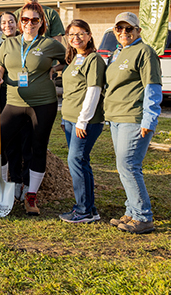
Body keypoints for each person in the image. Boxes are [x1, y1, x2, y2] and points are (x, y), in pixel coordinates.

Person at [0, 2, 66, 215]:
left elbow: (67, 60)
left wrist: (54, 68)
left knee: (37, 148)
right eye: (25, 20)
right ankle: (5, 186)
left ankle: (30, 196)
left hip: (43, 104)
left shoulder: (50, 44)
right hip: (14, 103)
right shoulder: (9, 44)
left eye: (34, 20)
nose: (29, 23)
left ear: (41, 22)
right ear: (20, 22)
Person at [103, 12, 161, 234]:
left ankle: (143, 216)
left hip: (134, 118)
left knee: (129, 166)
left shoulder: (145, 52)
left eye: (129, 29)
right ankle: (132, 210)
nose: (124, 33)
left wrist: (149, 119)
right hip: (117, 118)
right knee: (123, 166)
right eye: (119, 29)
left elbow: (152, 88)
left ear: (138, 31)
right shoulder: (119, 52)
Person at [58, 19, 106, 224]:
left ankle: (83, 210)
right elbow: (71, 91)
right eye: (71, 35)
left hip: (85, 121)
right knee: (81, 161)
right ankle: (90, 208)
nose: (76, 38)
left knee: (75, 160)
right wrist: (64, 117)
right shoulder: (75, 58)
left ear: (89, 35)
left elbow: (93, 91)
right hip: (70, 119)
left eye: (80, 34)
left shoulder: (93, 59)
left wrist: (82, 121)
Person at [0, 10, 29, 199]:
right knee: (10, 141)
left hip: (25, 97)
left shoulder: (26, 42)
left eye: (11, 21)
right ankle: (15, 180)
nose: (7, 25)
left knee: (26, 140)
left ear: (17, 24)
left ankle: (27, 182)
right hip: (4, 96)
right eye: (3, 22)